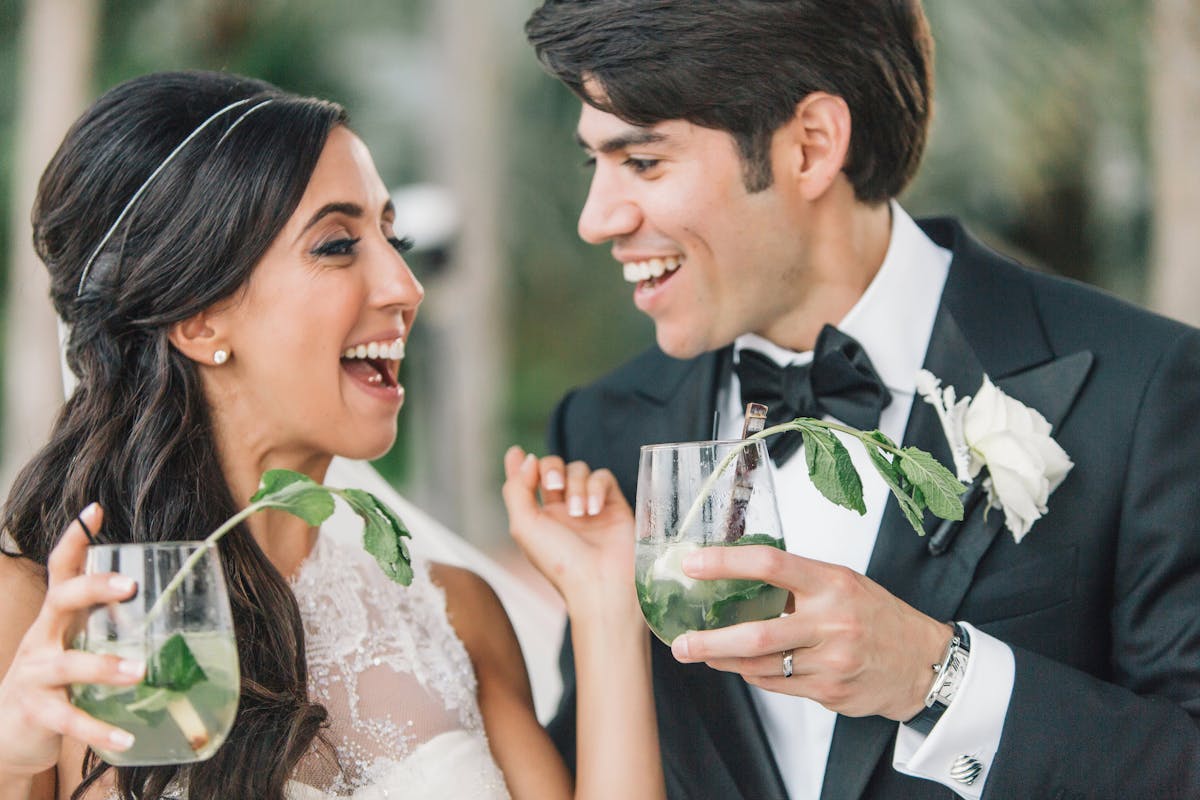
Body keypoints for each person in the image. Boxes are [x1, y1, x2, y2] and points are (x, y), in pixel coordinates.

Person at [523, 2, 1200, 798]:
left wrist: (934, 676)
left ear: (810, 146)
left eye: (642, 163)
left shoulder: (1142, 387)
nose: (596, 219)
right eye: (591, 166)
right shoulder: (604, 427)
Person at [0, 70, 664, 800]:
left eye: (391, 235)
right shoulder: (40, 620)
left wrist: (607, 612)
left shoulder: (457, 612)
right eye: (338, 245)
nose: (406, 286)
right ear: (198, 320)